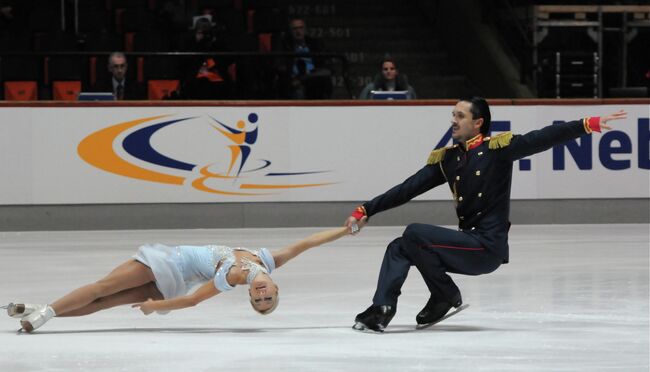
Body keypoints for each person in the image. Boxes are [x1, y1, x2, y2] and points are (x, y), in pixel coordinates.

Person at [344, 97, 627, 332]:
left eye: (460, 116)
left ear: (478, 122)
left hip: (486, 247)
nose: (453, 121)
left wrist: (585, 125)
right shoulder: (449, 158)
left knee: (414, 232)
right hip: (466, 244)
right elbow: (408, 188)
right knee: (400, 247)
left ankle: (445, 294)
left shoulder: (498, 150)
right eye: (452, 115)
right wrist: (367, 209)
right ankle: (383, 307)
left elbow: (542, 138)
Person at [5, 226, 354, 332]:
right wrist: (347, 228)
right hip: (171, 271)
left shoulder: (233, 277)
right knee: (101, 294)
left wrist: (157, 304)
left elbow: (191, 301)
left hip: (170, 271)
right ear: (277, 287)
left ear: (250, 295)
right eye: (268, 298)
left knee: (103, 296)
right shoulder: (269, 260)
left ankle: (44, 312)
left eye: (259, 301)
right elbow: (310, 242)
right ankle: (40, 310)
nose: (262, 296)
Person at [274, 18, 332, 99]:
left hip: (313, 78)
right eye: (295, 29)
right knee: (298, 89)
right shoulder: (284, 44)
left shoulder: (315, 43)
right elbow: (279, 65)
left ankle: (303, 80)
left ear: (305, 29)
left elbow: (324, 63)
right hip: (293, 78)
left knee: (324, 75)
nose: (298, 31)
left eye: (300, 28)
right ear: (290, 31)